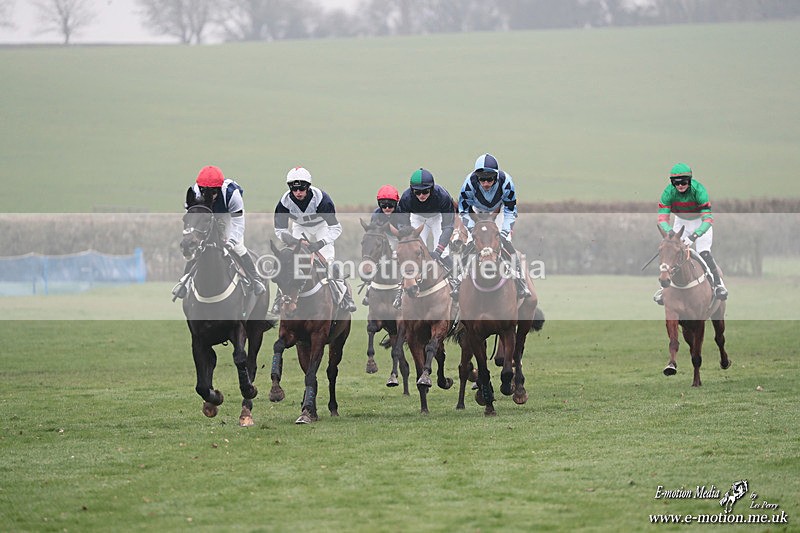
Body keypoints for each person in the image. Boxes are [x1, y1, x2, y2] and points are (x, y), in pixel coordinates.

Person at [172, 165, 265, 299]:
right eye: (205, 191)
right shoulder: (195, 192)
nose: (211, 195)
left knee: (238, 247)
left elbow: (238, 224)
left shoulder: (232, 195)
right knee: (198, 246)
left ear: (219, 188)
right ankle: (184, 282)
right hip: (205, 216)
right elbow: (191, 217)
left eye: (214, 191)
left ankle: (255, 280)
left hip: (227, 216)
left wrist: (230, 243)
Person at [273, 166, 357, 313]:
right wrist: (295, 241)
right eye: (294, 189)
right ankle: (278, 299)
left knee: (328, 261)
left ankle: (345, 298)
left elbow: (336, 228)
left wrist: (320, 243)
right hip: (299, 227)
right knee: (289, 264)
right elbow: (279, 230)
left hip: (321, 227)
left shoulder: (322, 200)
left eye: (302, 189)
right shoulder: (284, 202)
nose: (298, 193)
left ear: (308, 187)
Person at [455, 153, 531, 300]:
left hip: (499, 210)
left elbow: (510, 210)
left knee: (506, 243)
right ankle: (458, 281)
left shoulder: (506, 182)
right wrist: (473, 230)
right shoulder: (469, 183)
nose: (485, 183)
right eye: (482, 179)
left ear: (496, 176)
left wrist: (503, 232)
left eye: (489, 179)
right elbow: (463, 210)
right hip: (476, 211)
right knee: (471, 244)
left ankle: (521, 281)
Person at [654, 162, 728, 304]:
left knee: (703, 252)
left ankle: (719, 285)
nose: (680, 185)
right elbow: (662, 218)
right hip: (680, 222)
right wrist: (671, 233)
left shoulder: (699, 190)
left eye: (684, 182)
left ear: (689, 180)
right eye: (676, 182)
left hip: (701, 223)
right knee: (671, 251)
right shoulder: (668, 192)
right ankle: (663, 290)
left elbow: (708, 219)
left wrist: (694, 235)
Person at [394, 168, 458, 307]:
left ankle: (457, 282)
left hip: (437, 217)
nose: (421, 195)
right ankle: (401, 291)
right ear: (412, 190)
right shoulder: (406, 199)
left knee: (444, 253)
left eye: (425, 191)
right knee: (412, 253)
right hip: (417, 218)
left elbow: (448, 227)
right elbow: (402, 224)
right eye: (417, 192)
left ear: (432, 188)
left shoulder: (443, 196)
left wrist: (438, 251)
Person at [362, 185, 403, 306]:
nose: (387, 208)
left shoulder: (402, 213)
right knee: (378, 257)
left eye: (390, 205)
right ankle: (370, 286)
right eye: (383, 206)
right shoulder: (376, 214)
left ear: (396, 203)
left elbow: (402, 234)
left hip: (400, 237)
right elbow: (374, 234)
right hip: (384, 237)